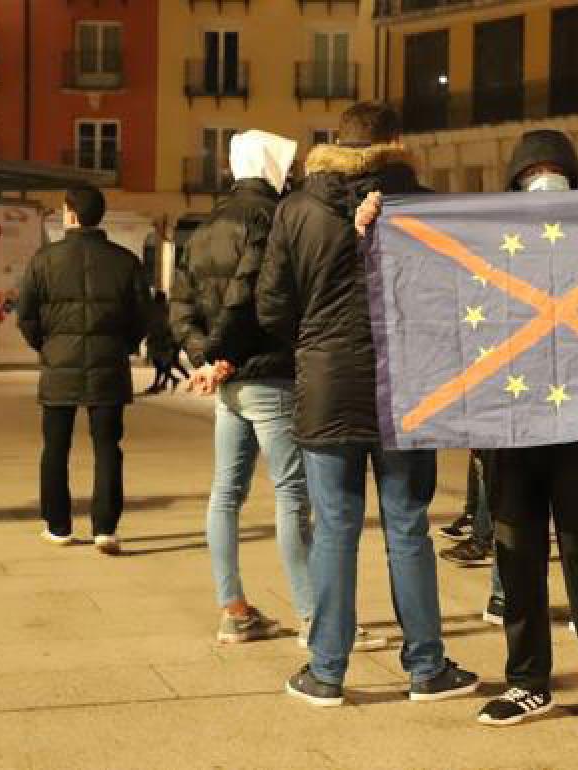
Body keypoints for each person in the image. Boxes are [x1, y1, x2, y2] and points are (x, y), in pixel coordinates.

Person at [258, 103, 478, 707]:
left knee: (334, 527)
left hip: (329, 385)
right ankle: (427, 667)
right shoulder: (424, 206)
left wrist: (313, 339)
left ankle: (326, 671)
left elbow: (271, 308)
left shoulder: (297, 209)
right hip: (408, 385)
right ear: (396, 143)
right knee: (408, 525)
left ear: (337, 142)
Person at [466, 129, 578, 745]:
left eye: (554, 169)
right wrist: (374, 218)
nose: (544, 179)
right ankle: (528, 682)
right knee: (516, 563)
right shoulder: (492, 243)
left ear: (575, 175)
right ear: (515, 181)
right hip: (512, 432)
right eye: (532, 171)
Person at [170, 130, 326, 646]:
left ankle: (233, 608)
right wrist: (222, 356)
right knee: (291, 494)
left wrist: (204, 358)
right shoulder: (273, 217)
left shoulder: (206, 224)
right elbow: (250, 299)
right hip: (267, 372)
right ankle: (312, 616)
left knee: (226, 494)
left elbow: (182, 305)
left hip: (231, 383)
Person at [17, 184, 150, 554]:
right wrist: (121, 347)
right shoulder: (126, 262)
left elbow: (26, 315)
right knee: (108, 446)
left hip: (59, 365)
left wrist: (47, 347)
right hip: (109, 365)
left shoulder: (44, 260)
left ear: (71, 214)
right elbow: (142, 317)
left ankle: (58, 526)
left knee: (55, 447)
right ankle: (105, 528)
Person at [145, 290, 187, 394]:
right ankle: (167, 381)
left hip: (162, 341)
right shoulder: (165, 309)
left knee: (162, 363)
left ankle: (164, 382)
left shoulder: (160, 310)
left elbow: (161, 325)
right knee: (164, 363)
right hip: (165, 340)